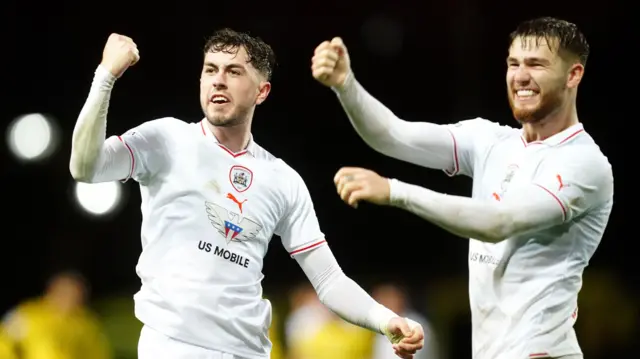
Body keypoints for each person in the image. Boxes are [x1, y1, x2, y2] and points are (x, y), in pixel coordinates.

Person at [69, 28, 424, 359]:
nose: (218, 80)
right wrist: (105, 76)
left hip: (249, 350)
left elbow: (329, 280)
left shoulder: (282, 180)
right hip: (172, 345)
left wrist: (384, 320)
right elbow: (85, 168)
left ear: (262, 91)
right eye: (210, 69)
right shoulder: (167, 139)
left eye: (234, 71)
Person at [311, 17, 613, 359]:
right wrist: (345, 85)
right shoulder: (490, 140)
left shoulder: (584, 163)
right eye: (513, 64)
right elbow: (393, 134)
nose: (521, 76)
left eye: (536, 64)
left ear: (573, 75)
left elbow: (498, 223)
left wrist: (396, 191)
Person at [1, 271, 112, 359]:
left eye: (76, 294)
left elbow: (98, 353)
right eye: (65, 292)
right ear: (52, 291)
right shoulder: (27, 315)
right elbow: (4, 343)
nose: (70, 298)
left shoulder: (86, 323)